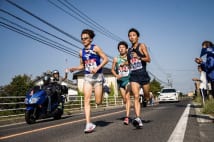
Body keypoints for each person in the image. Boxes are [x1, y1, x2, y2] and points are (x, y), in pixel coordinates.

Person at [67, 29, 108, 133]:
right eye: (82, 39)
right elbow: (82, 65)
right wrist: (74, 68)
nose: (83, 40)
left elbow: (106, 59)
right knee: (86, 99)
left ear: (91, 39)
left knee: (98, 102)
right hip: (88, 78)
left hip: (98, 77)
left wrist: (97, 68)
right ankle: (88, 124)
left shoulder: (96, 48)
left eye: (85, 38)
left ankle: (104, 87)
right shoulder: (81, 52)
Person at [127, 28, 151, 128]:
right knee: (136, 96)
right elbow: (130, 63)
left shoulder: (142, 46)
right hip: (134, 76)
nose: (131, 37)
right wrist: (126, 65)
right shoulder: (129, 50)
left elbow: (148, 59)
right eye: (129, 35)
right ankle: (138, 118)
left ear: (138, 37)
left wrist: (139, 57)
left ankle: (147, 97)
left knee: (146, 95)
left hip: (143, 74)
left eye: (133, 35)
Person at [111, 41, 131, 125]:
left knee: (128, 96)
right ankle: (127, 104)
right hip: (120, 81)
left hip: (129, 80)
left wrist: (125, 63)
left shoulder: (129, 57)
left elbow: (132, 63)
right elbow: (112, 69)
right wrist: (116, 75)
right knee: (125, 99)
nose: (121, 49)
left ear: (126, 49)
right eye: (120, 48)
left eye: (123, 47)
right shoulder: (116, 59)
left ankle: (127, 117)